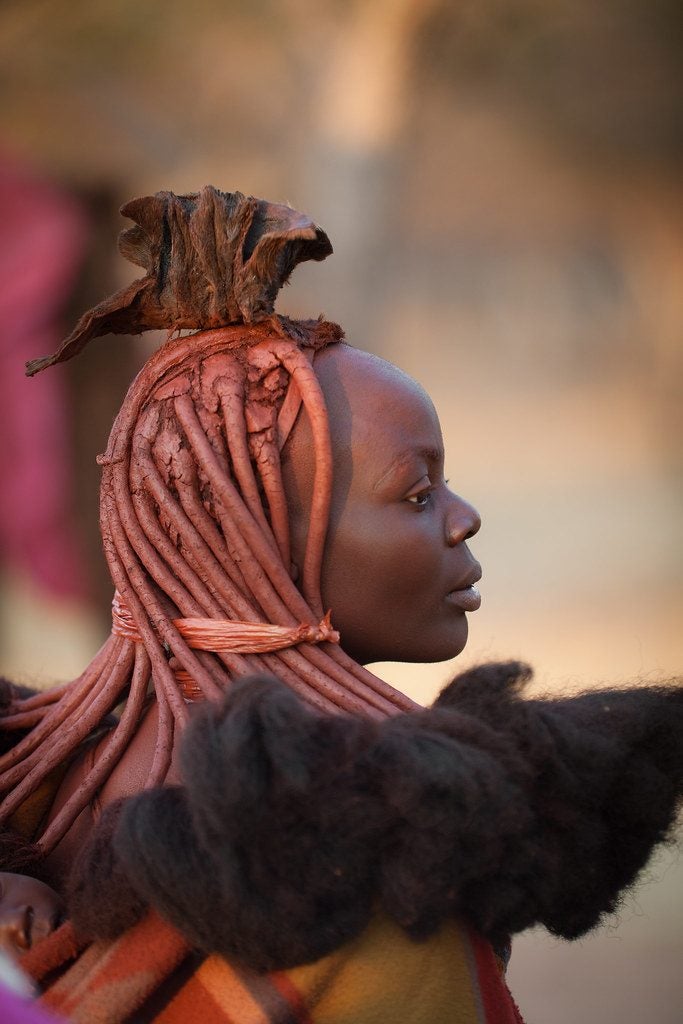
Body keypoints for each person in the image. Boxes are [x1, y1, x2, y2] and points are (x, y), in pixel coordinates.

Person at [0, 188, 680, 1023]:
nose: (464, 517)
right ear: (251, 537)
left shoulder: (36, 787)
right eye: (418, 493)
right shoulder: (367, 891)